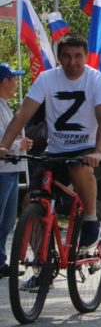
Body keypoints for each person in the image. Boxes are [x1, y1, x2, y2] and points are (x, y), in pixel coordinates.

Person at [0, 34, 101, 253]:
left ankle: (90, 219)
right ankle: (44, 262)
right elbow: (23, 114)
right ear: (59, 58)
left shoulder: (98, 80)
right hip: (56, 152)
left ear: (86, 56)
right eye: (66, 57)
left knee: (80, 168)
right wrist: (4, 146)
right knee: (30, 202)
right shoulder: (46, 78)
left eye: (78, 56)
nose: (72, 62)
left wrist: (99, 151)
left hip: (90, 150)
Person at [0, 64, 32, 278]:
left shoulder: (5, 105)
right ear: (4, 82)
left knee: (8, 220)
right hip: (3, 170)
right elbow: (3, 140)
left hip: (10, 169)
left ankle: (1, 260)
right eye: (14, 80)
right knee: (2, 218)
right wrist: (19, 144)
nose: (16, 84)